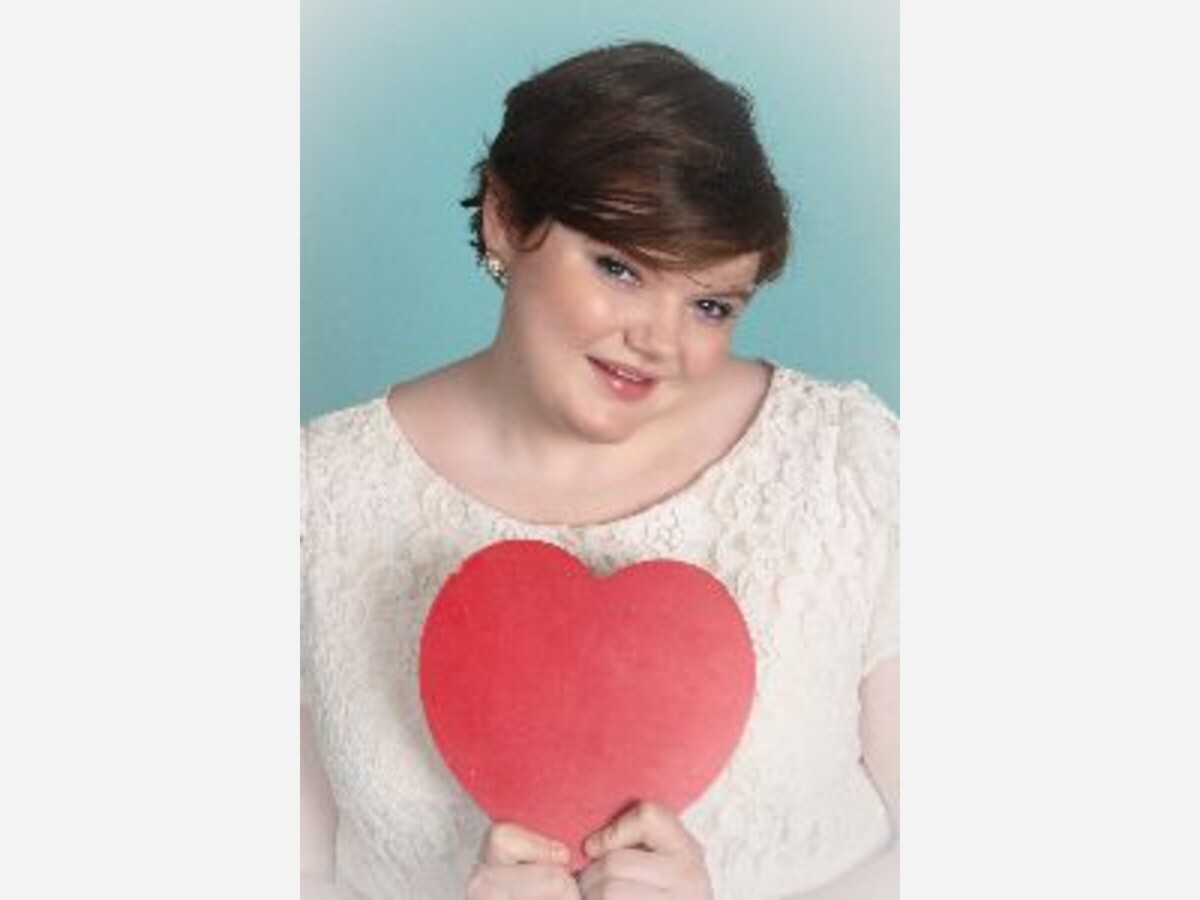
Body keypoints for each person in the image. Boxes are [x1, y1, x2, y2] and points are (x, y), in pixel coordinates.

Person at [301, 41, 898, 899]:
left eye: (709, 304)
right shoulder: (314, 499)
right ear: (506, 219)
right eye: (620, 268)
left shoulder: (845, 466)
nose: (658, 340)